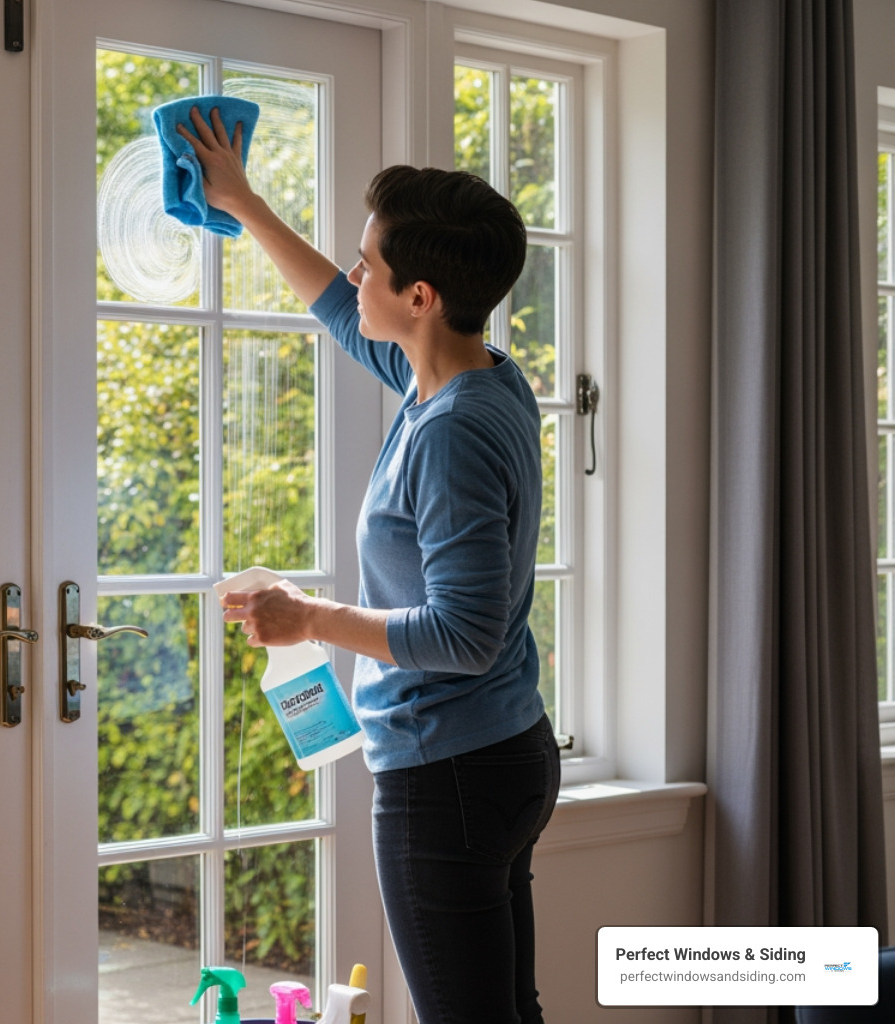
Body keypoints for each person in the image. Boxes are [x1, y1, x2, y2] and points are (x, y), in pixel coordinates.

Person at [179, 106, 560, 1024]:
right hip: (502, 755)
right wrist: (247, 205)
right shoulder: (477, 375)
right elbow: (346, 316)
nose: (356, 275)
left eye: (372, 263)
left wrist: (307, 617)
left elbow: (460, 636)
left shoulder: (455, 431)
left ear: (422, 296)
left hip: (450, 778)